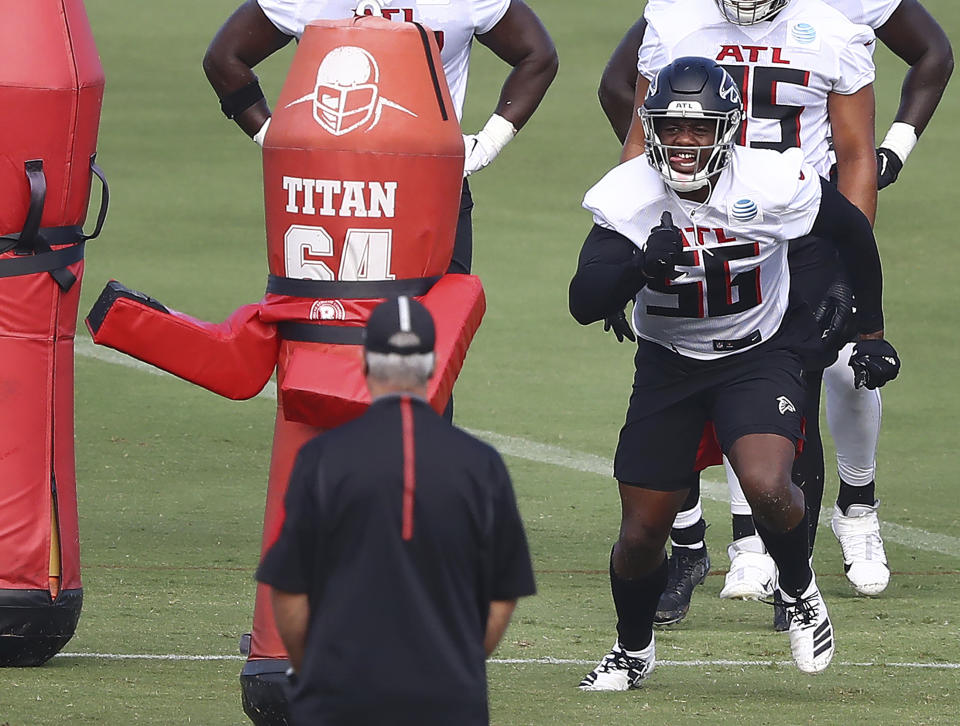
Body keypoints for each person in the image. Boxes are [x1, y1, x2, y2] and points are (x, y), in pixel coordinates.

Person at [596, 0, 951, 622]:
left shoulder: (834, 26)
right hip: (700, 223)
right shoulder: (674, 18)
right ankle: (710, 545)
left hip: (798, 224)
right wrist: (634, 242)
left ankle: (796, 566)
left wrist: (847, 254)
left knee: (791, 386)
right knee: (679, 373)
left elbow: (858, 151)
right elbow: (634, 127)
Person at [569, 57, 899, 688]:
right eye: (670, 127)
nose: (683, 143)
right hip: (669, 365)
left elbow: (852, 231)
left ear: (731, 127)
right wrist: (640, 267)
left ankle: (800, 590)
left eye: (700, 129)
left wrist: (870, 329)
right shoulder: (628, 193)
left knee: (768, 482)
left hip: (757, 350)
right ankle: (633, 650)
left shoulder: (774, 178)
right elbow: (584, 298)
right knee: (641, 534)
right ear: (651, 126)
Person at [255, 295, 536, 724]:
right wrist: (458, 662)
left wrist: (316, 671)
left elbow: (289, 590)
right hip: (449, 703)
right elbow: (502, 592)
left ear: (365, 363)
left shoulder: (322, 459)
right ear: (432, 366)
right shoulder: (482, 465)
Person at [203, 0, 558, 276]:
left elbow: (537, 55)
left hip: (427, 185)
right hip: (337, 191)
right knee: (330, 331)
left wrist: (487, 144)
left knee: (432, 335)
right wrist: (276, 142)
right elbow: (224, 58)